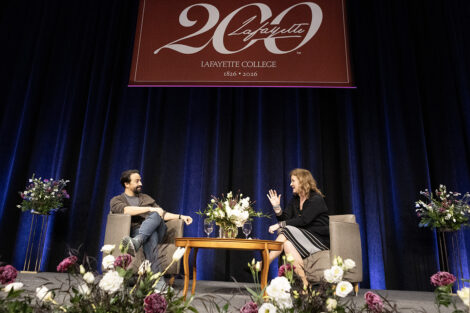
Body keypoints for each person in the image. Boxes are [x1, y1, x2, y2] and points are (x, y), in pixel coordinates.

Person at [110, 169, 193, 277]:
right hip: (137, 231)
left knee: (155, 215)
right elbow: (126, 210)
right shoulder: (117, 200)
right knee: (150, 235)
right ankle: (156, 280)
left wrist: (181, 216)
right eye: (137, 181)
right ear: (126, 184)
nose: (141, 183)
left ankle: (137, 241)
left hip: (160, 231)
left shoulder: (146, 198)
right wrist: (149, 209)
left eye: (140, 180)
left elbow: (162, 214)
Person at [266, 168, 329, 287]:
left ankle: (265, 263)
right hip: (303, 240)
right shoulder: (295, 199)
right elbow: (285, 219)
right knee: (287, 244)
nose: (290, 184)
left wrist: (279, 225)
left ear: (302, 181)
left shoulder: (316, 199)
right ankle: (305, 284)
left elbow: (303, 220)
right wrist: (277, 207)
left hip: (319, 241)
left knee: (287, 229)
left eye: (293, 181)